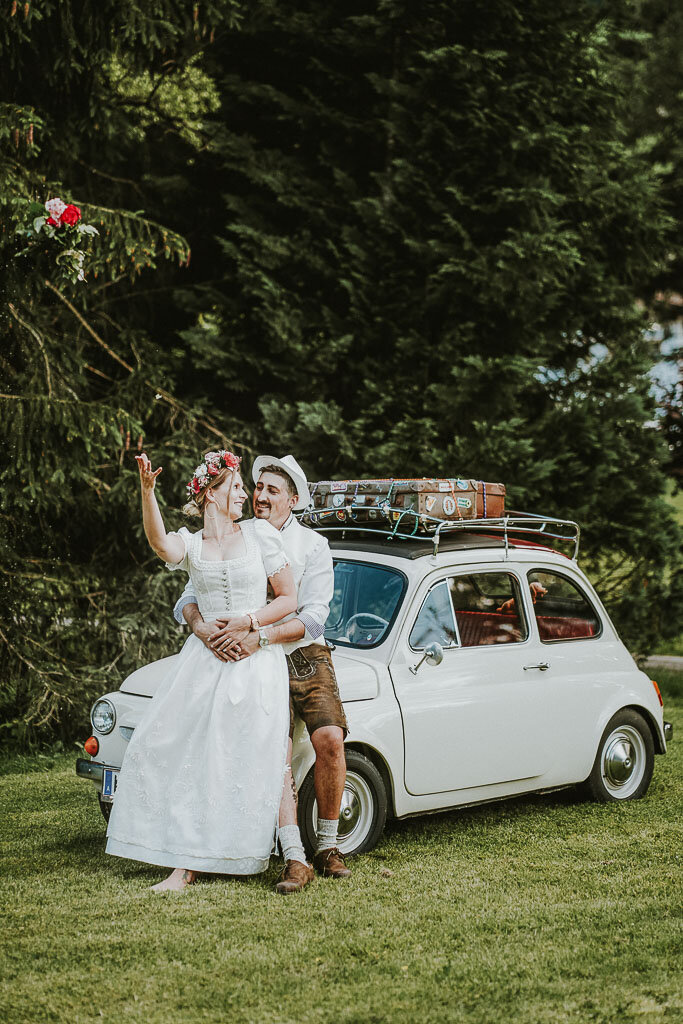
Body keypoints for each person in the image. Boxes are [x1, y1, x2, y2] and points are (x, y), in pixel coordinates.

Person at [106, 450, 297, 892]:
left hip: (252, 660)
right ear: (211, 495)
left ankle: (238, 851)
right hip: (203, 660)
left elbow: (288, 599)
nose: (246, 495)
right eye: (236, 488)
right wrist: (147, 492)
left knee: (234, 757)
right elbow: (160, 545)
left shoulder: (260, 536)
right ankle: (183, 863)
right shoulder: (193, 545)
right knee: (178, 750)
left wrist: (250, 622)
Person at [174, 454, 351, 894]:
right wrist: (200, 625)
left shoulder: (313, 545)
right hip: (250, 656)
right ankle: (289, 855)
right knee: (273, 752)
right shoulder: (239, 533)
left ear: (293, 499)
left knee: (328, 737)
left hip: (303, 654)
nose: (261, 497)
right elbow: (192, 592)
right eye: (258, 488)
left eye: (273, 491)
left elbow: (313, 618)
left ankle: (327, 846)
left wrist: (260, 634)